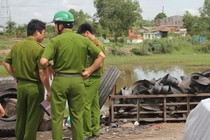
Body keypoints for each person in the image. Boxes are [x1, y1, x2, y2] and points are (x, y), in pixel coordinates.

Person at [40, 11, 105, 140]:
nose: (55, 27)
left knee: (57, 117)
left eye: (56, 24)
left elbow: (43, 61)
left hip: (60, 81)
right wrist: (89, 70)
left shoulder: (55, 41)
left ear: (61, 25)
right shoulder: (83, 40)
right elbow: (101, 56)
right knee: (77, 116)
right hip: (78, 81)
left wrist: (50, 67)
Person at [3, 19, 51, 140]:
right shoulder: (39, 48)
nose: (44, 35)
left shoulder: (17, 46)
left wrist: (16, 77)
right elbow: (42, 72)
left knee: (21, 116)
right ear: (37, 32)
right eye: (43, 32)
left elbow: (6, 63)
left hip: (21, 86)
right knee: (33, 118)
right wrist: (49, 90)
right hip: (34, 87)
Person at [77, 23, 105, 139]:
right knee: (94, 105)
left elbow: (100, 63)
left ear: (88, 33)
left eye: (83, 36)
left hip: (91, 78)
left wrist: (88, 71)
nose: (83, 39)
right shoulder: (94, 43)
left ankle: (86, 132)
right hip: (93, 78)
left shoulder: (96, 44)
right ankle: (95, 130)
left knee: (85, 105)